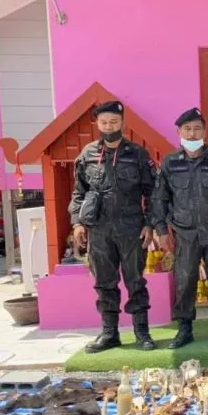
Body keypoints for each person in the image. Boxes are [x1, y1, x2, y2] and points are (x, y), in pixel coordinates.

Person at [69, 100, 157, 353]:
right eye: (104, 122)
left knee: (135, 281)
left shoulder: (138, 154)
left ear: (122, 123)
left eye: (114, 122)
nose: (109, 126)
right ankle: (109, 333)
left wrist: (149, 224)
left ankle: (142, 332)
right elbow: (78, 192)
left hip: (131, 228)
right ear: (97, 124)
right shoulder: (87, 155)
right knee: (104, 282)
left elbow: (153, 193)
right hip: (99, 230)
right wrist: (77, 223)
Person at [153, 107, 208, 348]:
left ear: (205, 131)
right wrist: (161, 230)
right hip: (184, 233)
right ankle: (184, 329)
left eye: (197, 129)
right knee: (185, 279)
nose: (192, 134)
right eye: (187, 129)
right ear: (179, 132)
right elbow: (159, 199)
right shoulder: (170, 163)